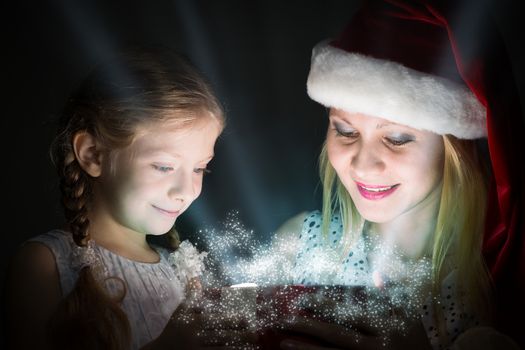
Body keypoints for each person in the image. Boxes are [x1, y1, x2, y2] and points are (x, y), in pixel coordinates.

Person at [271, 1, 523, 349]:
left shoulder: (497, 280)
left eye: (396, 138)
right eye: (345, 131)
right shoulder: (297, 247)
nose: (362, 165)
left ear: (453, 147)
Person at [3, 49, 245, 349]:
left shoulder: (185, 275)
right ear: (93, 154)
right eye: (164, 166)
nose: (185, 190)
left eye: (199, 168)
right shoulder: (45, 265)